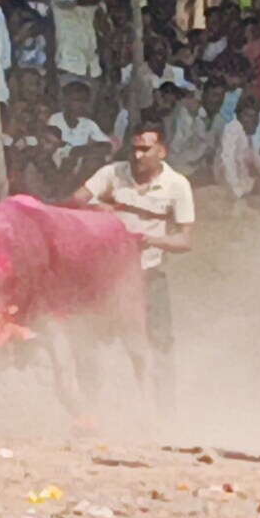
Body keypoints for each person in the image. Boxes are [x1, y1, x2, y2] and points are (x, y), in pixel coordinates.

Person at [68, 122, 196, 403]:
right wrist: (98, 207)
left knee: (159, 343)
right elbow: (75, 200)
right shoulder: (112, 173)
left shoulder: (177, 186)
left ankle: (164, 413)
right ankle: (90, 408)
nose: (138, 156)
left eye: (145, 149)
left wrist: (152, 241)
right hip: (106, 276)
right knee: (88, 338)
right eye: (135, 149)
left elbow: (185, 240)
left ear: (162, 151)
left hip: (148, 275)